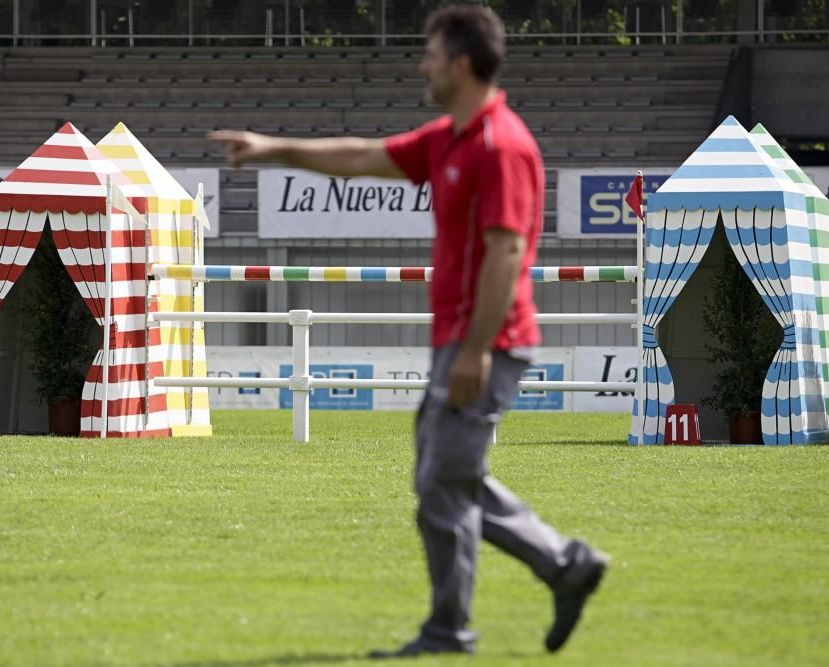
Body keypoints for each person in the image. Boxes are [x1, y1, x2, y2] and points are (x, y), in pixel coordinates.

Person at [209, 4, 608, 658]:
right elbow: (363, 155)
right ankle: (564, 564)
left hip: (490, 340)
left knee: (441, 484)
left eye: (429, 53)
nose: (421, 64)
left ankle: (454, 628)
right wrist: (274, 147)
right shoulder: (448, 137)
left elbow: (507, 253)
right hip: (461, 340)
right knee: (446, 475)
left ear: (460, 63)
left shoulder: (501, 145)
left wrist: (476, 349)